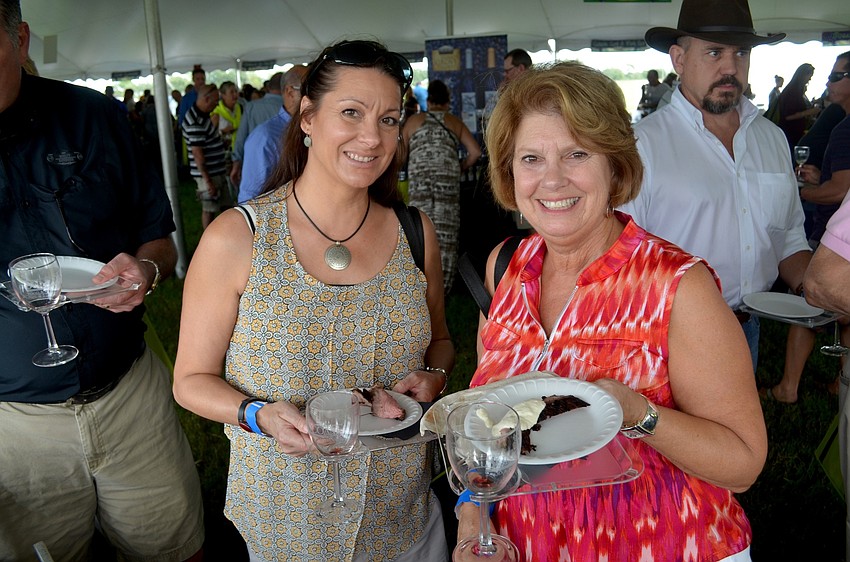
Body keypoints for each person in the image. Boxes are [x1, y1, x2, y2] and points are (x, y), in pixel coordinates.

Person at [457, 60, 766, 561]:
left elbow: (743, 463)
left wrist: (638, 413)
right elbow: (488, 430)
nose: (551, 180)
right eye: (531, 158)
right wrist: (474, 525)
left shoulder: (676, 285)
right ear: (508, 173)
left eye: (576, 153)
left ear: (615, 165)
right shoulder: (506, 267)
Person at [173, 39, 454, 561]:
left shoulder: (416, 233)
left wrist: (434, 376)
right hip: (286, 525)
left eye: (389, 119)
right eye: (351, 112)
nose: (371, 137)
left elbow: (440, 342)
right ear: (306, 116)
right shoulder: (241, 237)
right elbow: (190, 381)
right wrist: (258, 415)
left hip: (403, 521)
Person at [0, 3, 204, 559]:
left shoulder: (97, 119)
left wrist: (149, 269)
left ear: (20, 39)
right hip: (13, 427)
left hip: (128, 399)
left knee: (174, 547)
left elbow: (158, 237)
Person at [619, 0, 811, 369]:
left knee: (737, 429)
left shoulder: (771, 139)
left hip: (747, 328)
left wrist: (818, 288)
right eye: (713, 52)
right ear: (678, 59)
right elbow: (621, 259)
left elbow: (788, 237)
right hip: (670, 336)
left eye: (741, 52)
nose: (730, 67)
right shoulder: (642, 146)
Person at [403, 79, 481, 292]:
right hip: (447, 186)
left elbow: (399, 155)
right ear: (448, 101)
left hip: (420, 188)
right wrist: (460, 168)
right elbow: (475, 152)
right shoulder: (453, 121)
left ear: (428, 100)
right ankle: (442, 289)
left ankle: (417, 288)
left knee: (419, 235)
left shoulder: (413, 121)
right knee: (444, 237)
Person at [238, 64, 307, 203]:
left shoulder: (317, 128)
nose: (318, 96)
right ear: (290, 92)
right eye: (309, 89)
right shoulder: (264, 137)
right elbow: (250, 198)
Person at [182, 83, 232, 229]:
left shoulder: (203, 116)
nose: (217, 105)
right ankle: (207, 242)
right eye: (216, 101)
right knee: (209, 209)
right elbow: (198, 154)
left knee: (226, 207)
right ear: (206, 99)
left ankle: (228, 234)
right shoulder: (195, 121)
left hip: (216, 172)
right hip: (208, 174)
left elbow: (205, 142)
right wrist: (208, 180)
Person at [229, 71, 284, 187]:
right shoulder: (289, 106)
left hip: (253, 165)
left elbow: (241, 137)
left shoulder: (251, 106)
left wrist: (236, 163)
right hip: (282, 166)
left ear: (268, 87)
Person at [777, 63, 820, 151]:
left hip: (793, 134)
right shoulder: (793, 92)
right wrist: (808, 112)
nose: (810, 79)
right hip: (790, 134)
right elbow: (787, 117)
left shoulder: (794, 90)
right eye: (809, 76)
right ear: (803, 75)